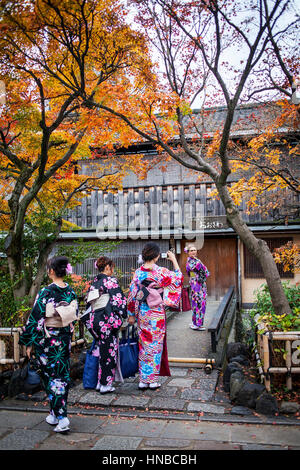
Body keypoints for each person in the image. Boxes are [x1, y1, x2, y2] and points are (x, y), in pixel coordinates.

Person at [19, 256, 78, 433]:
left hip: (48, 340)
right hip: (64, 338)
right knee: (60, 374)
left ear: (51, 271)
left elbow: (36, 318)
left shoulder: (46, 292)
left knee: (53, 377)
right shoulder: (71, 291)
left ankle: (62, 417)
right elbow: (73, 313)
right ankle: (53, 413)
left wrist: (28, 342)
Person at [127, 242, 183, 390]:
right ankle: (152, 380)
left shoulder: (138, 273)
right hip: (156, 313)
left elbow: (132, 294)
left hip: (143, 312)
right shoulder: (161, 272)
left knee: (144, 345)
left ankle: (143, 380)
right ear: (157, 256)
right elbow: (178, 279)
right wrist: (174, 260)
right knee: (155, 346)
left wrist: (131, 314)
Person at [81, 256, 127, 394]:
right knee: (109, 352)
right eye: (111, 267)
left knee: (102, 350)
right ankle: (106, 384)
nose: (112, 270)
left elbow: (89, 302)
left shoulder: (94, 283)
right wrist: (122, 314)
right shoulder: (110, 281)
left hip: (95, 319)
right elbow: (119, 300)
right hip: (106, 320)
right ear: (107, 267)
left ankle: (100, 383)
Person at [185, 245, 210, 331]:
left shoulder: (197, 261)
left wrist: (195, 276)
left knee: (200, 302)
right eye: (191, 250)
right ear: (188, 252)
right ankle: (198, 324)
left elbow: (206, 272)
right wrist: (195, 277)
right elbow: (193, 271)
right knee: (198, 303)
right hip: (196, 284)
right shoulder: (192, 261)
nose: (193, 252)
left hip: (200, 283)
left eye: (195, 250)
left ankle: (195, 322)